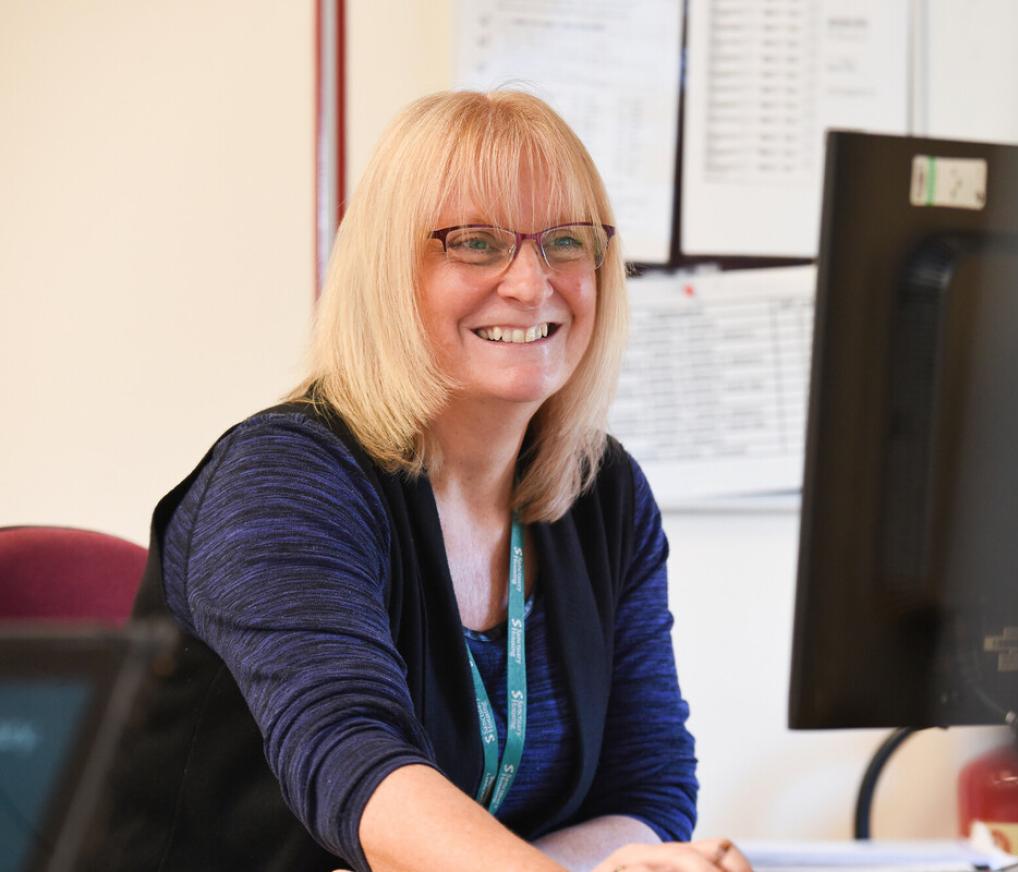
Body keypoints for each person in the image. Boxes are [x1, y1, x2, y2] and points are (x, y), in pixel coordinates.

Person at [102, 91, 753, 872]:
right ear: (388, 272)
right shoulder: (281, 479)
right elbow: (356, 763)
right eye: (476, 243)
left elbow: (649, 794)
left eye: (566, 241)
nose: (529, 283)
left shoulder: (601, 491)